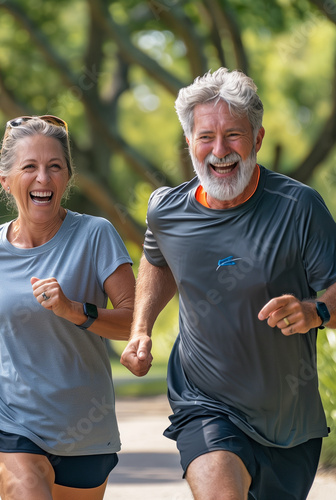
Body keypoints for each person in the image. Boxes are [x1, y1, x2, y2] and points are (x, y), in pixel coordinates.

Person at [120, 68, 336, 500]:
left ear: (257, 138)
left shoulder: (299, 207)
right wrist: (141, 327)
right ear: (189, 143)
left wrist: (315, 312)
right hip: (204, 403)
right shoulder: (167, 210)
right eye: (206, 137)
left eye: (233, 135)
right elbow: (156, 260)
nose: (219, 151)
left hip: (290, 424)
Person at [0, 115, 135, 500]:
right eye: (29, 167)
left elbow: (133, 321)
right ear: (6, 180)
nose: (43, 178)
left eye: (54, 167)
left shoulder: (96, 235)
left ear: (67, 177)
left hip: (86, 431)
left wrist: (74, 310)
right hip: (13, 422)